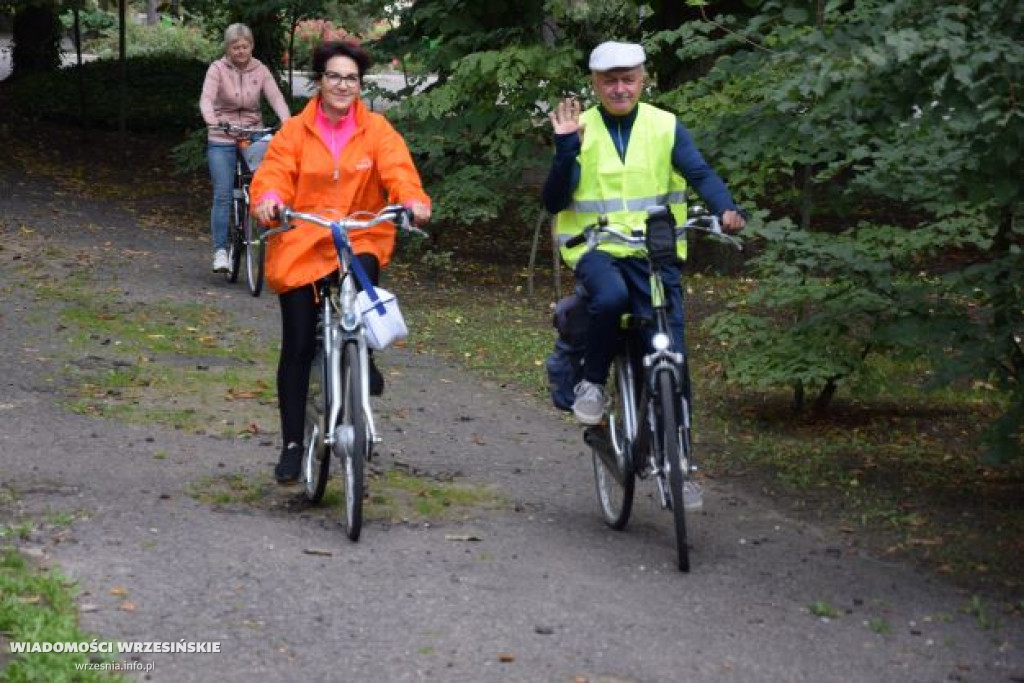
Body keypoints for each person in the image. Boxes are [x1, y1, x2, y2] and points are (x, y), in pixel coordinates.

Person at [543, 41, 745, 507]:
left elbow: (700, 172)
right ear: (595, 84)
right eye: (610, 80)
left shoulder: (664, 125)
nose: (619, 87)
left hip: (655, 255)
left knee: (672, 357)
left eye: (628, 78)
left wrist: (726, 208)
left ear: (643, 78)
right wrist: (564, 151)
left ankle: (680, 466)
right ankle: (592, 382)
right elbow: (554, 201)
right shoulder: (581, 128)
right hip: (597, 250)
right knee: (609, 300)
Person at [251, 40, 432, 484]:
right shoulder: (295, 130)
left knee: (364, 271)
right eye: (334, 76)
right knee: (296, 343)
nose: (342, 85)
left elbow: (398, 170)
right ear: (319, 81)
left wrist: (411, 200)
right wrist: (271, 200)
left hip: (359, 233)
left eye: (351, 78)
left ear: (360, 85)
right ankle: (293, 444)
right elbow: (273, 174)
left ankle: (362, 351)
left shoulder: (378, 130)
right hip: (303, 237)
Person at [200, 23, 292, 274]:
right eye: (235, 47)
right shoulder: (217, 69)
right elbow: (206, 99)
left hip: (253, 134)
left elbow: (275, 98)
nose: (240, 51)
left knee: (264, 189)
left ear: (251, 46)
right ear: (227, 48)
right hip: (222, 135)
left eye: (245, 46)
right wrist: (211, 119)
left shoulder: (260, 69)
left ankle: (270, 246)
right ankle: (220, 250)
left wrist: (287, 122)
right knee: (222, 194)